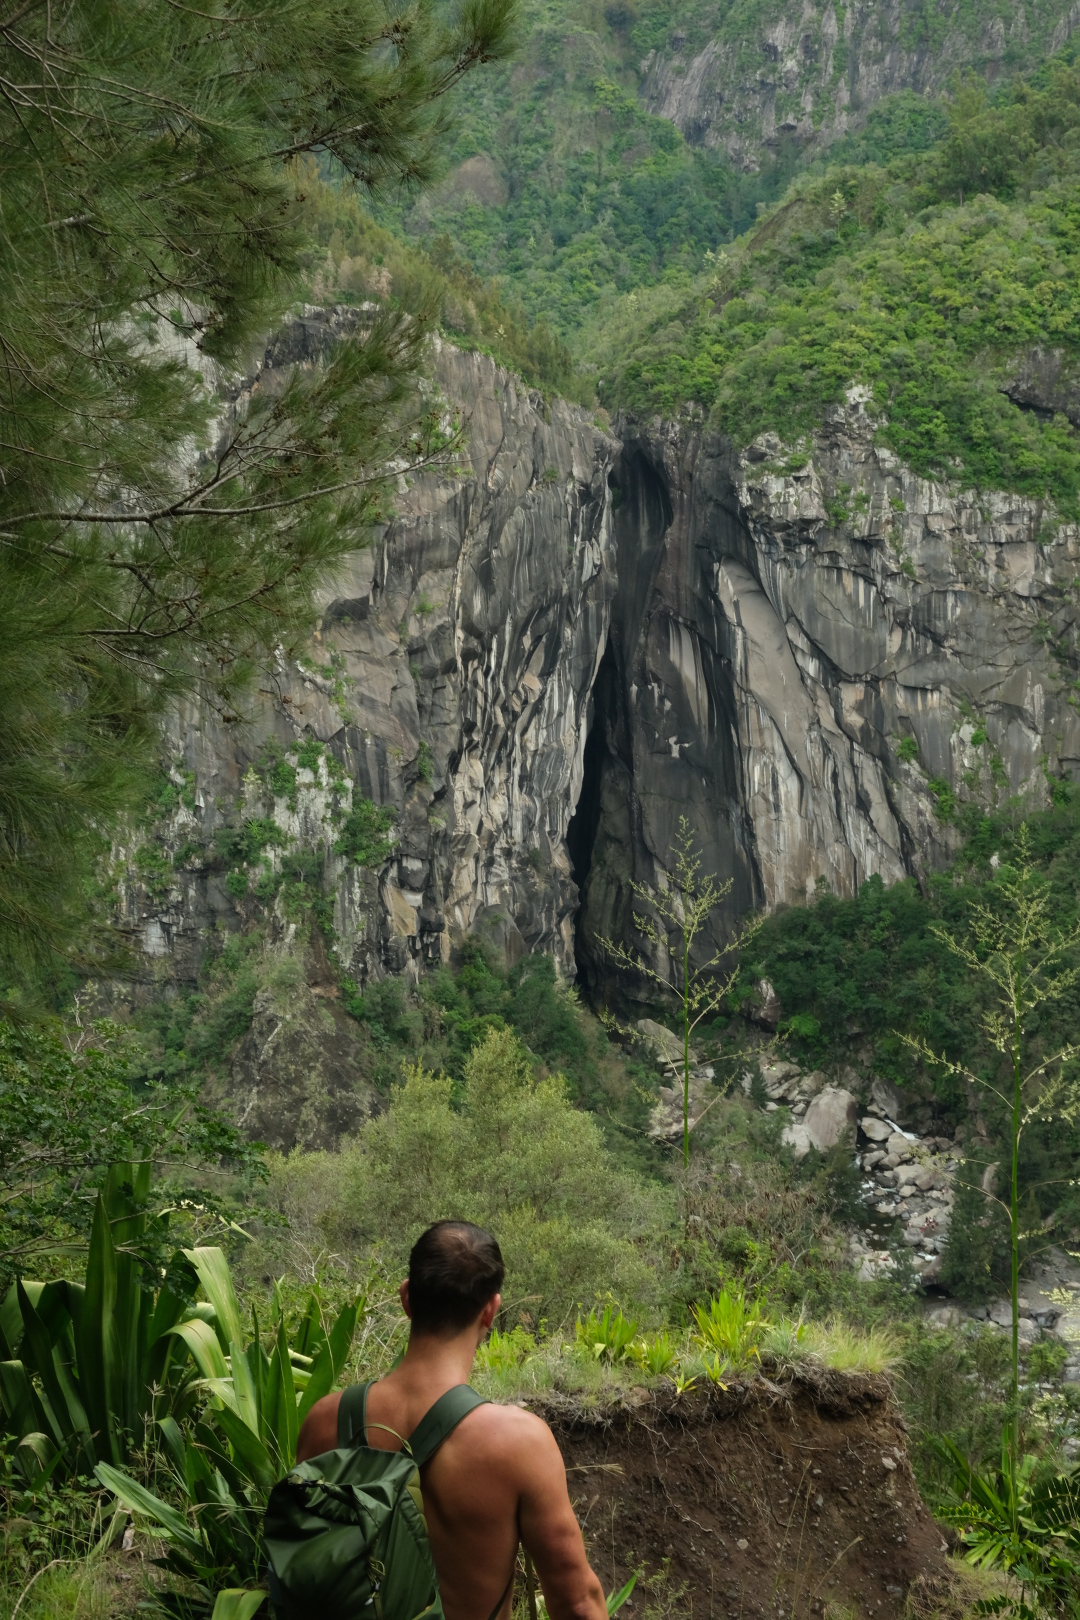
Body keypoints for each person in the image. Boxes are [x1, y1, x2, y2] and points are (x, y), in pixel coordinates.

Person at [297, 1219, 607, 1620]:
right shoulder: (519, 1442)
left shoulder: (324, 1421)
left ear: (406, 1298)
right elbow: (577, 1602)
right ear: (490, 1311)